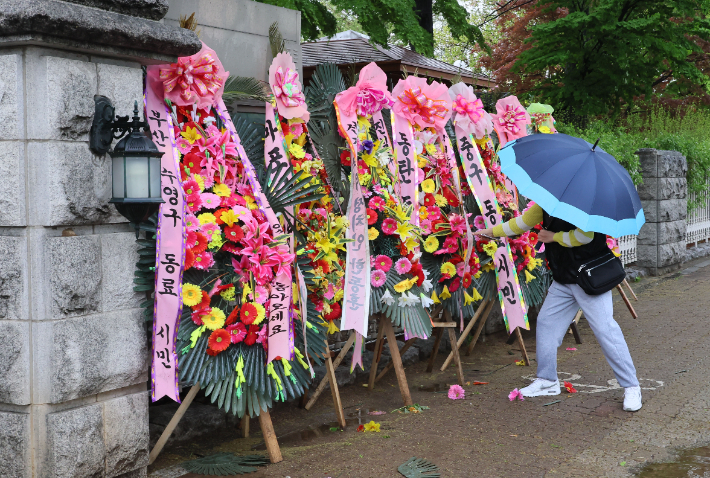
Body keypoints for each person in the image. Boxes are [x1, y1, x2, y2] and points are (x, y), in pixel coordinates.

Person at [476, 203, 642, 411]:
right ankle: (547, 380)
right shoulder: (547, 203)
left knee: (605, 330)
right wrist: (491, 232)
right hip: (564, 279)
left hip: (589, 278)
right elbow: (522, 223)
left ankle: (631, 386)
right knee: (546, 323)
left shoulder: (585, 203)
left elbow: (586, 236)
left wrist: (553, 237)